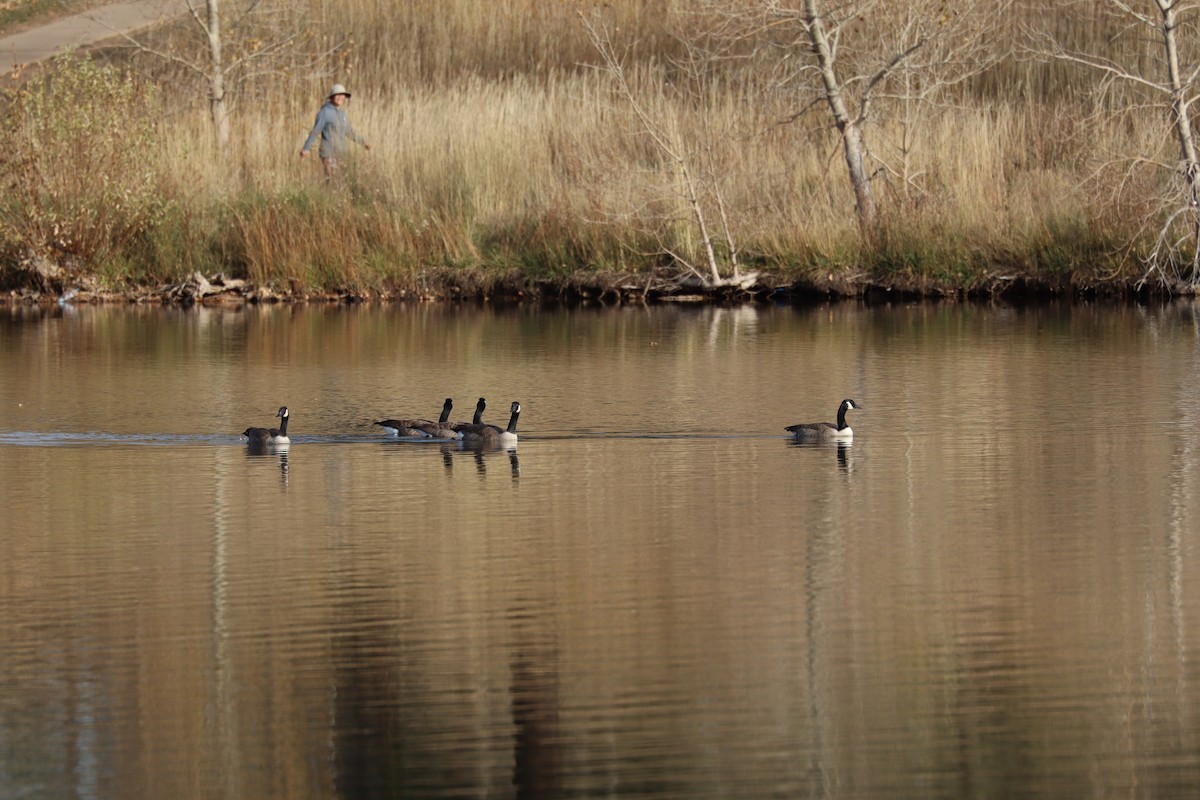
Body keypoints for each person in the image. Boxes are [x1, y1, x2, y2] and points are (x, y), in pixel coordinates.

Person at [300, 83, 370, 178]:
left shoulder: (342, 114)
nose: (340, 97)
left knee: (340, 180)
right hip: (328, 152)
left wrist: (363, 142)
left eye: (342, 95)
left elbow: (350, 132)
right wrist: (306, 148)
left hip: (341, 153)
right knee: (332, 179)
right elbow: (316, 131)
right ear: (332, 96)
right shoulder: (325, 112)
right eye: (337, 95)